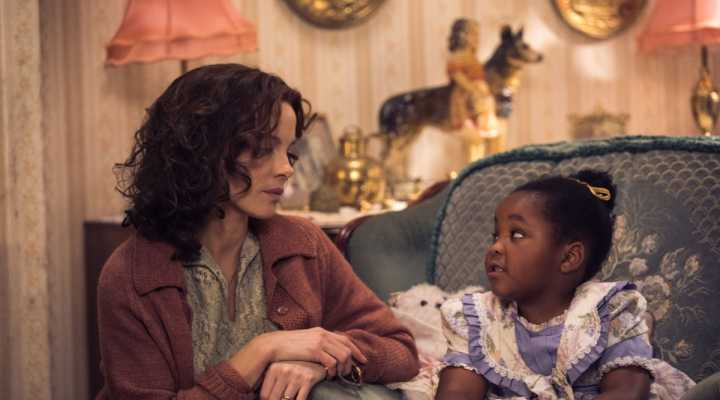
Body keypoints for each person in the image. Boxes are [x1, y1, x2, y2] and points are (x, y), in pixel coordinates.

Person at [97, 64, 419, 400]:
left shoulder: (303, 244)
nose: (286, 168)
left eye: (288, 151)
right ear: (200, 150)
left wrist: (322, 363)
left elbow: (400, 349)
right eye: (263, 148)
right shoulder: (131, 275)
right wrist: (263, 350)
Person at [434, 170, 694, 399]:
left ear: (569, 258)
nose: (495, 247)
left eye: (516, 234)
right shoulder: (478, 319)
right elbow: (457, 394)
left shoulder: (610, 311)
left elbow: (626, 393)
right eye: (495, 236)